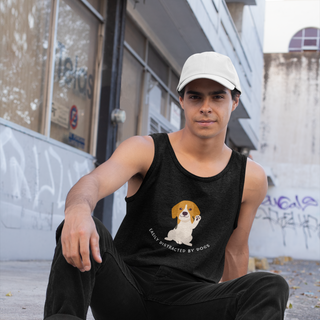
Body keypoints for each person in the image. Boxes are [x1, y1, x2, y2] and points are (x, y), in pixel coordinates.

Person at [44, 52, 289, 320]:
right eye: (195, 96)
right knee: (82, 229)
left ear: (235, 101)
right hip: (125, 291)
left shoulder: (250, 178)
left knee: (270, 286)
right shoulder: (145, 150)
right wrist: (78, 211)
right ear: (182, 100)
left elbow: (236, 249)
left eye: (218, 96)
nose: (206, 107)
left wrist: (236, 301)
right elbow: (93, 181)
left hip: (190, 300)